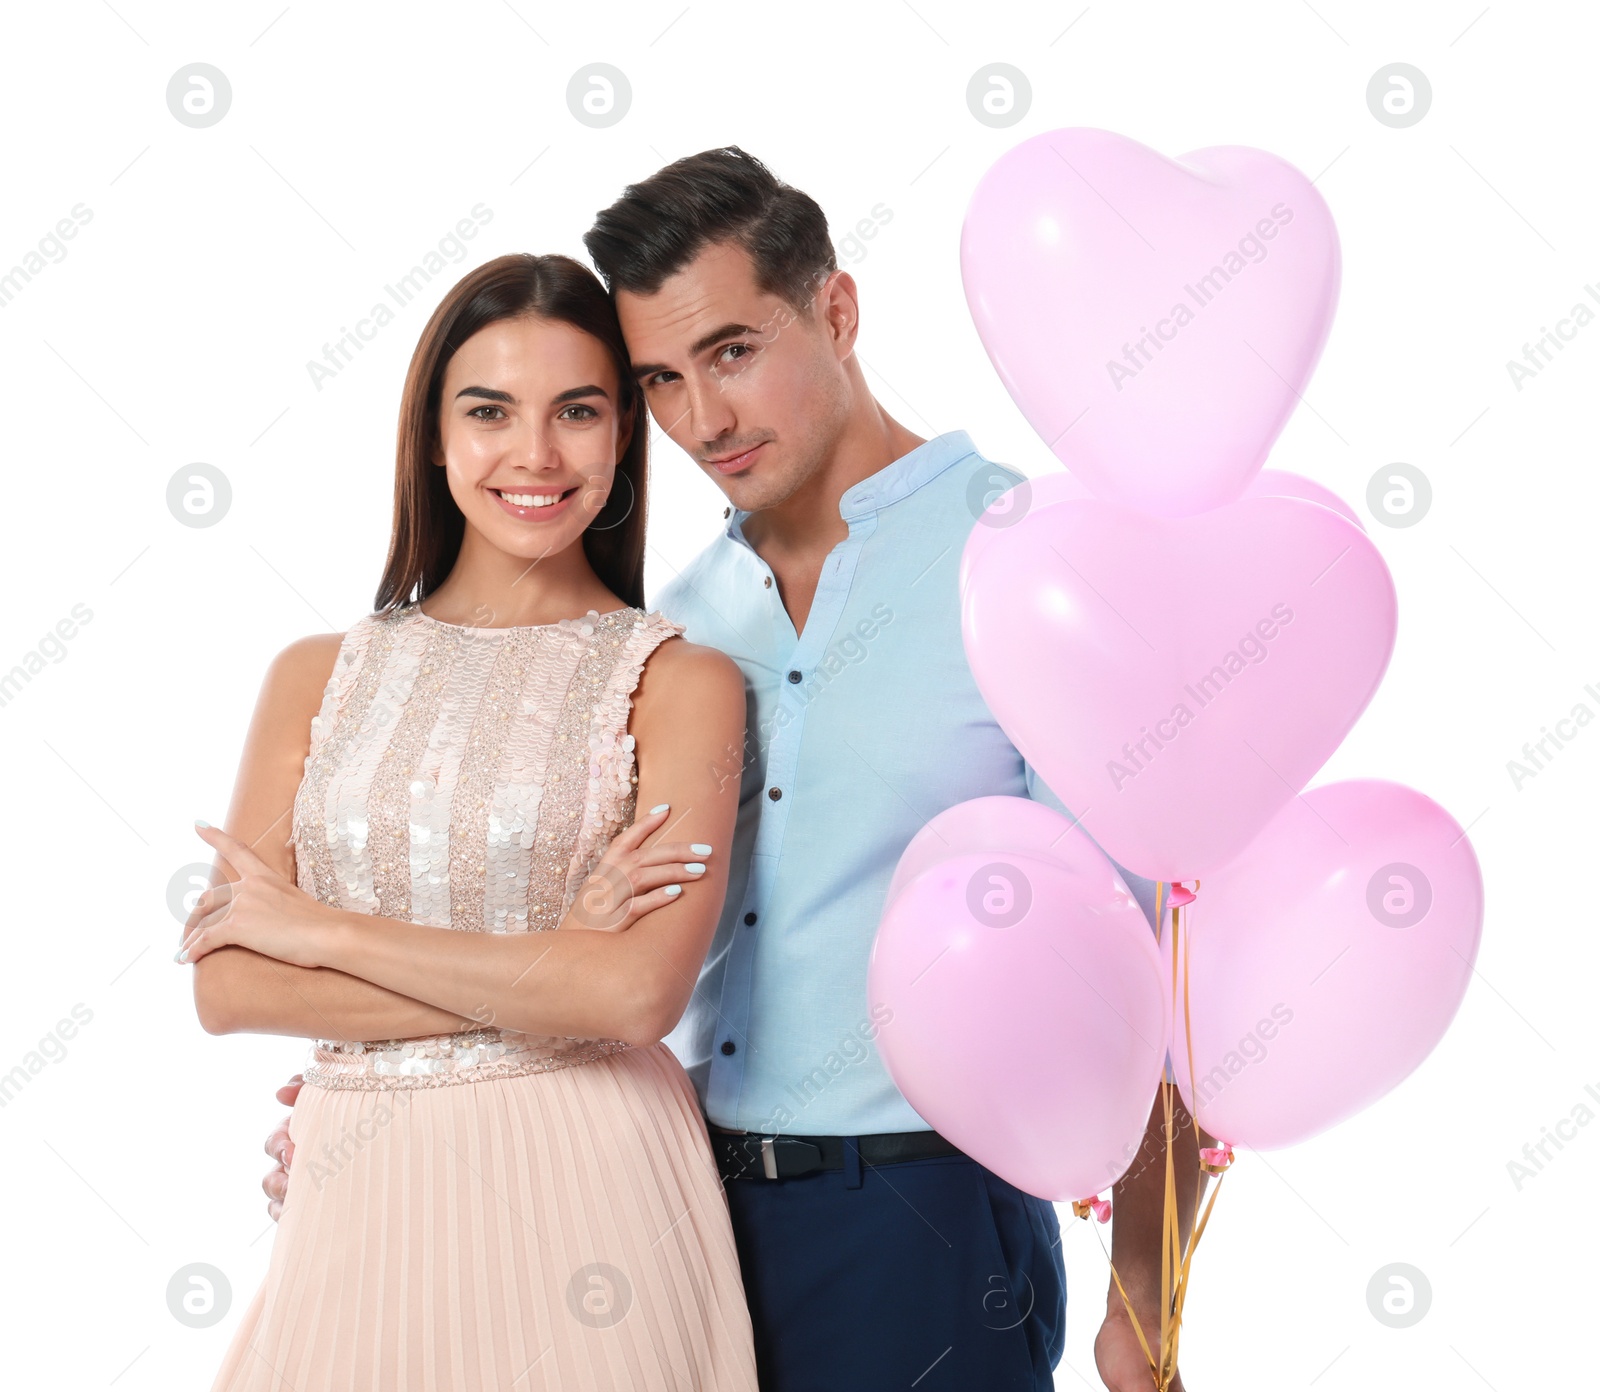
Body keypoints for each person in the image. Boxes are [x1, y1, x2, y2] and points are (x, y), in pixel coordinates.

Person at [263, 148, 1206, 1391]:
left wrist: (1143, 1303)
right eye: (658, 378)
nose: (703, 418)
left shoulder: (1027, 565)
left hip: (917, 1219)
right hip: (664, 1197)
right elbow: (607, 952)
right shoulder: (680, 626)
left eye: (732, 351)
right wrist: (403, 1098)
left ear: (837, 310)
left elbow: (1138, 960)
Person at [180, 252, 760, 1391]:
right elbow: (229, 988)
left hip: (594, 1185)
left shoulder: (683, 683)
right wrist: (555, 968)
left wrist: (324, 932)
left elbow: (635, 998)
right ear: (434, 437)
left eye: (578, 413)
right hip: (361, 1188)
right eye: (489, 411)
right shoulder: (317, 675)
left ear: (622, 440)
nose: (535, 455)